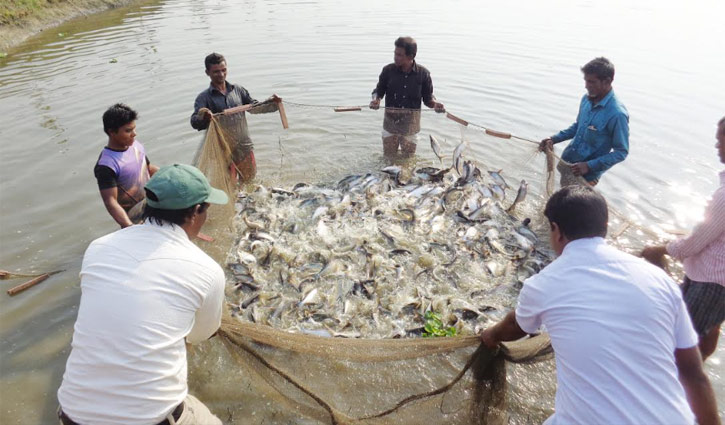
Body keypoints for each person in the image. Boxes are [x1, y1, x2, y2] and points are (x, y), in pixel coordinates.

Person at [479, 185, 720, 425]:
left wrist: (490, 335)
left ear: (555, 230)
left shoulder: (543, 283)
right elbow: (694, 375)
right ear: (605, 226)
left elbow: (515, 326)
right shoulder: (661, 280)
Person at [57, 164, 228, 425]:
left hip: (72, 415)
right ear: (195, 212)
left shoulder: (98, 248)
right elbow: (200, 334)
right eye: (206, 208)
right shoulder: (206, 270)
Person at [642, 116, 725, 361]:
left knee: (676, 344)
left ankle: (678, 386)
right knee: (706, 336)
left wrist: (662, 249)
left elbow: (697, 241)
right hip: (716, 283)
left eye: (720, 140)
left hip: (711, 283)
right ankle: (696, 376)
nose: (716, 146)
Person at [539, 57, 629, 186]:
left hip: (586, 177)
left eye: (592, 82)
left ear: (607, 81)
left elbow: (621, 152)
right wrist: (554, 139)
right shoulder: (586, 100)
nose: (586, 86)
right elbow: (577, 127)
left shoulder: (617, 114)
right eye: (586, 81)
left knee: (574, 205)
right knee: (561, 202)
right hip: (568, 164)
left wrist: (589, 165)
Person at [190, 52, 279, 181]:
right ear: (207, 72)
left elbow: (255, 107)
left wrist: (272, 103)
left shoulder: (238, 90)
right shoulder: (204, 98)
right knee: (229, 186)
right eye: (216, 72)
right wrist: (204, 116)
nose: (221, 74)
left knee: (250, 181)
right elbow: (194, 121)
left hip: (244, 146)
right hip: (222, 151)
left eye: (223, 70)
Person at [369, 36, 445, 157]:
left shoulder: (423, 74)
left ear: (411, 56)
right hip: (390, 125)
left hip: (411, 127)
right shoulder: (388, 71)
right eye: (395, 53)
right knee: (388, 159)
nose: (395, 57)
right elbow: (378, 91)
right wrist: (375, 100)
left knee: (408, 160)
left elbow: (428, 99)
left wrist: (436, 105)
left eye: (400, 55)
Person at [95, 103, 159, 228]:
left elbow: (148, 169)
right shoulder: (107, 165)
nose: (134, 134)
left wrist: (172, 175)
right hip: (135, 216)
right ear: (112, 132)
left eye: (134, 129)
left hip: (152, 204)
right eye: (128, 131)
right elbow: (110, 202)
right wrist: (129, 226)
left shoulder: (136, 146)